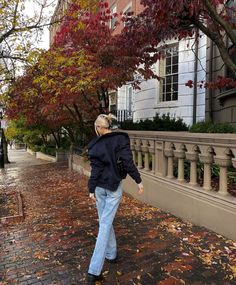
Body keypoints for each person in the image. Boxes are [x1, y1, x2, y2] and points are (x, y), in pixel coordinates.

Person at [87, 113, 144, 284]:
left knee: (104, 222)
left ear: (99, 127)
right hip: (111, 188)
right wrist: (138, 181)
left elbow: (95, 170)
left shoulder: (95, 145)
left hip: (100, 188)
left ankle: (102, 262)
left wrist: (91, 189)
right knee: (105, 223)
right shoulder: (121, 139)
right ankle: (101, 264)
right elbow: (127, 162)